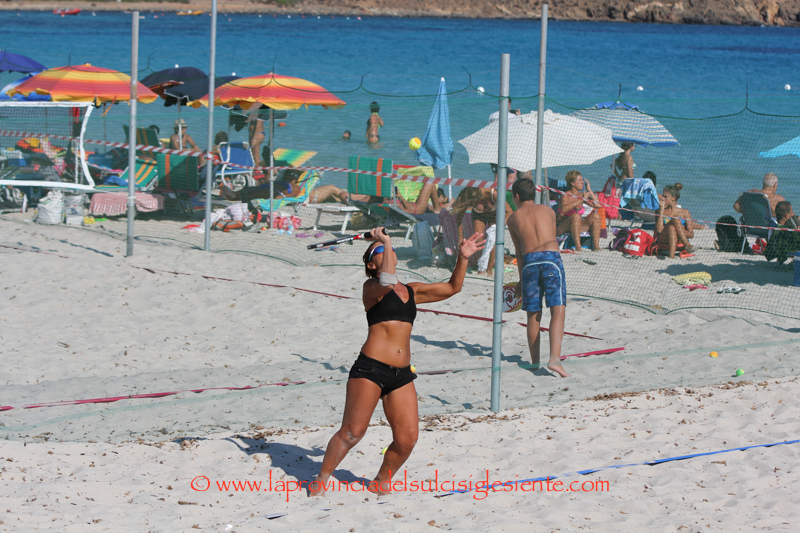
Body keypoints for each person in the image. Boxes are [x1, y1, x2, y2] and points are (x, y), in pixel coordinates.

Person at [309, 227, 485, 496]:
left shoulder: (412, 290)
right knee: (352, 433)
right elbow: (387, 280)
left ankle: (380, 481)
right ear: (371, 264)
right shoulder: (373, 288)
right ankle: (321, 478)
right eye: (381, 250)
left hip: (401, 374)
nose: (388, 250)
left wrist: (463, 257)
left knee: (407, 439)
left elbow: (453, 287)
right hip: (370, 369)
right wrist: (385, 239)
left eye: (390, 249)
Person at [507, 178, 568, 378]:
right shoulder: (549, 211)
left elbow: (519, 252)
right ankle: (554, 359)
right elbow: (550, 236)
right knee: (557, 309)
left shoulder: (513, 219)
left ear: (516, 196)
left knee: (533, 315)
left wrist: (520, 280)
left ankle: (534, 362)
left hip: (529, 263)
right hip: (551, 259)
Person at [555, 170, 602, 252]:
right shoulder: (565, 195)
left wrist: (589, 190)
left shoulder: (581, 195)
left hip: (577, 226)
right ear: (572, 183)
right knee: (576, 216)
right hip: (562, 227)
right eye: (579, 180)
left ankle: (596, 246)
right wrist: (581, 199)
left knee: (596, 216)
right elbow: (564, 209)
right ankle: (578, 246)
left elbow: (598, 205)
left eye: (582, 180)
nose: (582, 182)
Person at [654, 183, 695, 258]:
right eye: (662, 196)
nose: (662, 199)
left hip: (679, 240)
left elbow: (691, 235)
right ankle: (688, 245)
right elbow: (659, 230)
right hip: (664, 239)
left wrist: (678, 231)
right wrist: (661, 211)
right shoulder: (659, 211)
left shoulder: (685, 212)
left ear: (673, 198)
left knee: (672, 228)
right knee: (675, 220)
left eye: (665, 197)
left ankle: (671, 256)